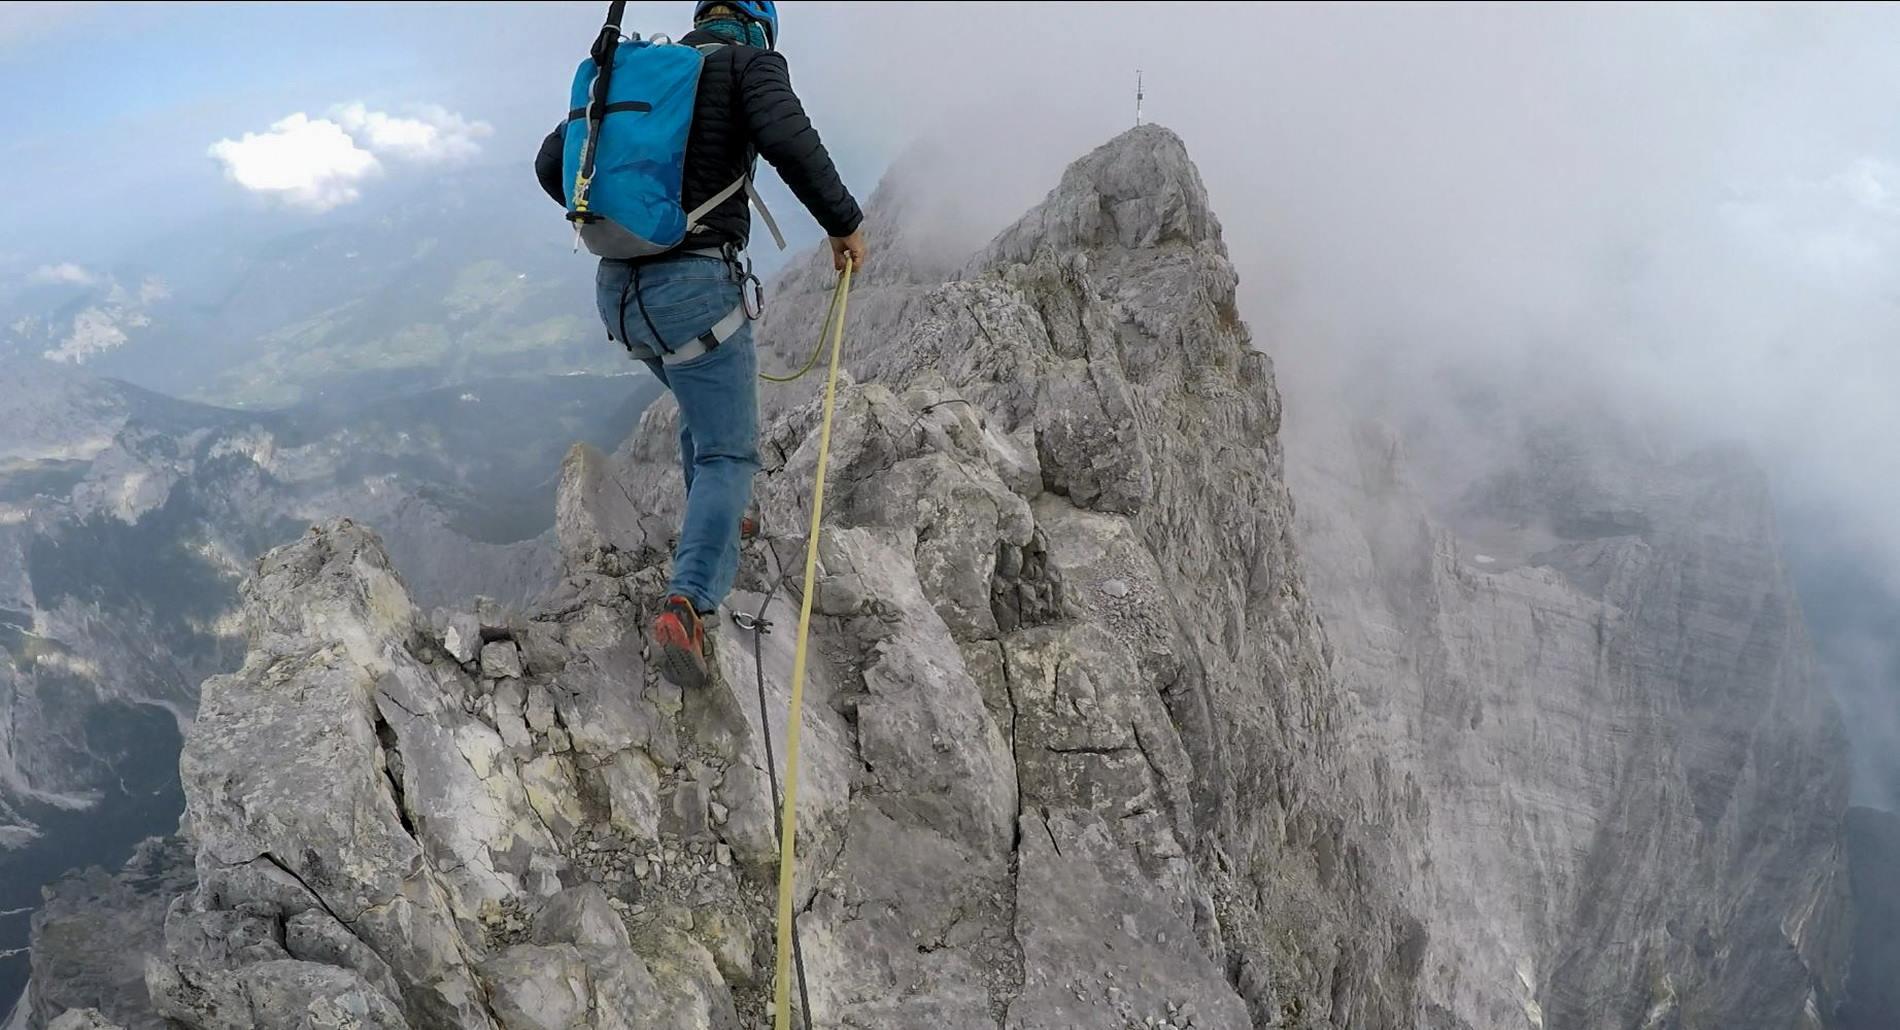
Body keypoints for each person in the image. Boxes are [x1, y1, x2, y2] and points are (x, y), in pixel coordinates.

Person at [535, 0, 868, 689]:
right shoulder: (749, 66)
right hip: (693, 294)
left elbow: (551, 163)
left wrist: (622, 219)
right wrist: (844, 225)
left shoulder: (638, 73)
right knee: (728, 450)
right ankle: (686, 606)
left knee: (699, 404)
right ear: (757, 23)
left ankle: (725, 521)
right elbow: (792, 141)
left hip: (618, 295)